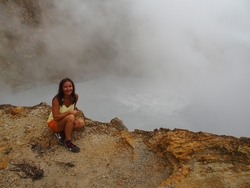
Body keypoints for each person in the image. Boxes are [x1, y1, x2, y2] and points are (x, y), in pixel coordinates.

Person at [47, 78, 85, 152]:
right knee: (70, 117)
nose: (68, 89)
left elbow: (73, 109)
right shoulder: (56, 100)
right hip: (54, 122)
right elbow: (56, 117)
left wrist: (72, 113)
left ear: (73, 87)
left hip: (65, 120)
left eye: (70, 86)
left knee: (81, 123)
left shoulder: (75, 97)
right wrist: (69, 112)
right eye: (65, 87)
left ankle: (62, 133)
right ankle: (68, 142)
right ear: (61, 88)